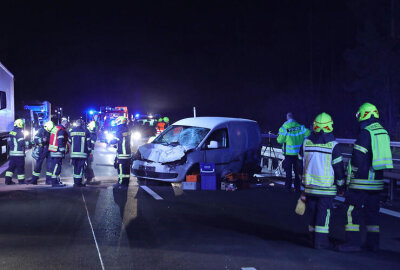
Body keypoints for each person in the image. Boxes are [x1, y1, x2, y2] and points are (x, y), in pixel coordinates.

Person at [338, 103, 393, 252]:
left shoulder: (365, 132)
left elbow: (357, 158)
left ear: (364, 114)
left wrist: (350, 176)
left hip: (361, 181)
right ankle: (373, 244)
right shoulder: (383, 132)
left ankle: (352, 243)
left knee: (351, 211)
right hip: (377, 182)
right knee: (372, 213)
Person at [298, 113, 345, 249]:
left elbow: (299, 164)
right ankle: (321, 242)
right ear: (330, 126)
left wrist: (302, 180)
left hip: (310, 187)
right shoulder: (333, 145)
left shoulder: (306, 142)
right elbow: (339, 169)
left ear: (314, 126)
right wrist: (341, 186)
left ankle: (312, 239)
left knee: (312, 212)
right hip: (326, 188)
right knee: (323, 214)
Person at [277, 112, 310, 192]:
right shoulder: (301, 127)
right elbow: (308, 134)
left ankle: (287, 188)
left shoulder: (284, 127)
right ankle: (297, 188)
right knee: (297, 172)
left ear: (287, 118)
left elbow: (279, 141)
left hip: (288, 154)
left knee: (288, 172)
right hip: (299, 154)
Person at [68, 119, 92, 187]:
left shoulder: (71, 131)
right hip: (82, 154)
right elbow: (88, 143)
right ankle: (79, 183)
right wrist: (89, 151)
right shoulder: (86, 131)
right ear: (82, 124)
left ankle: (75, 182)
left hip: (74, 154)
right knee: (80, 168)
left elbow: (69, 141)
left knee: (75, 168)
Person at [110, 116, 131, 188]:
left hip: (122, 153)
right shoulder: (128, 129)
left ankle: (121, 182)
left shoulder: (119, 130)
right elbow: (123, 141)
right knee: (127, 168)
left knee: (121, 167)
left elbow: (115, 140)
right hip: (128, 153)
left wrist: (109, 142)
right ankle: (126, 182)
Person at [5, 119, 28, 185]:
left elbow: (9, 142)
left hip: (12, 153)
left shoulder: (11, 132)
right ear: (20, 125)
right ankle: (21, 181)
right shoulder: (19, 132)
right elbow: (22, 143)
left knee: (11, 167)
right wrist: (28, 143)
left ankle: (8, 181)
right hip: (19, 154)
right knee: (20, 167)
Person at [47, 119, 69, 187]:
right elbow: (60, 141)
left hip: (52, 150)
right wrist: (62, 150)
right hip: (57, 151)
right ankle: (54, 182)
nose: (67, 127)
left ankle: (57, 180)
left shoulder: (56, 128)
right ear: (65, 124)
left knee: (55, 166)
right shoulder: (61, 130)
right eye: (67, 125)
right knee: (57, 166)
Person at [85, 121, 101, 185]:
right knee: (88, 165)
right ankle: (89, 178)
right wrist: (91, 153)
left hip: (86, 152)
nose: (96, 130)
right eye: (95, 128)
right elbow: (91, 145)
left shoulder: (87, 132)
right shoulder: (92, 134)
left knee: (87, 165)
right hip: (88, 152)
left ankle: (89, 178)